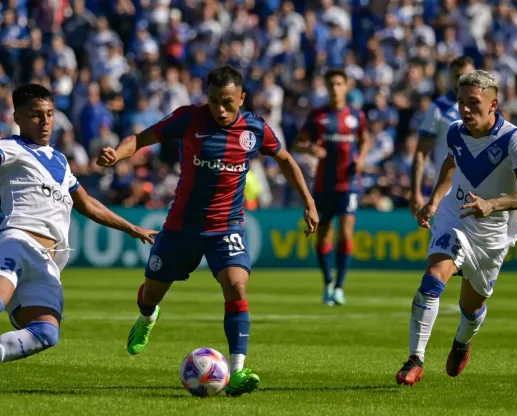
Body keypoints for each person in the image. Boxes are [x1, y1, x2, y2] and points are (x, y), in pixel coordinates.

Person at [0, 84, 157, 395]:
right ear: (18, 117)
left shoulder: (61, 161)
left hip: (49, 261)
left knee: (46, 333)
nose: (45, 121)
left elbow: (87, 204)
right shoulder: (12, 147)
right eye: (36, 115)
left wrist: (132, 227)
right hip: (17, 239)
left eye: (49, 114)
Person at [97, 65, 319, 396]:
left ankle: (239, 370)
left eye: (228, 102)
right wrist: (118, 153)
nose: (220, 109)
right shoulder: (190, 119)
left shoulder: (254, 130)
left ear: (241, 98)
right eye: (214, 101)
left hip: (226, 225)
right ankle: (146, 317)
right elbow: (142, 138)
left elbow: (285, 160)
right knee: (151, 293)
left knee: (236, 286)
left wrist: (308, 201)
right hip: (181, 226)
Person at [395, 70, 517, 386]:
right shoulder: (456, 132)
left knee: (471, 307)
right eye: (461, 102)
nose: (465, 110)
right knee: (432, 279)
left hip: (492, 232)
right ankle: (414, 360)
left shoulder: (515, 139)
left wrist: (492, 205)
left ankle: (462, 342)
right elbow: (450, 163)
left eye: (473, 103)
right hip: (455, 217)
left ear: (494, 104)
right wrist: (433, 202)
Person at [293, 69, 370, 306]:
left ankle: (339, 286)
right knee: (323, 234)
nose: (335, 88)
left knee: (346, 232)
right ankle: (327, 281)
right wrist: (309, 149)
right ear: (326, 88)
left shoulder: (356, 115)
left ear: (346, 86)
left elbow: (365, 139)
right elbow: (297, 144)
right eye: (331, 84)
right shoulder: (317, 116)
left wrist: (362, 158)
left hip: (349, 185)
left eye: (339, 84)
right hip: (324, 185)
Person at [410, 56, 475, 215]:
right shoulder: (437, 109)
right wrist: (415, 192)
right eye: (456, 76)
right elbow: (420, 153)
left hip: (479, 192)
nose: (461, 80)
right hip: (447, 193)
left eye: (466, 75)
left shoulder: (485, 107)